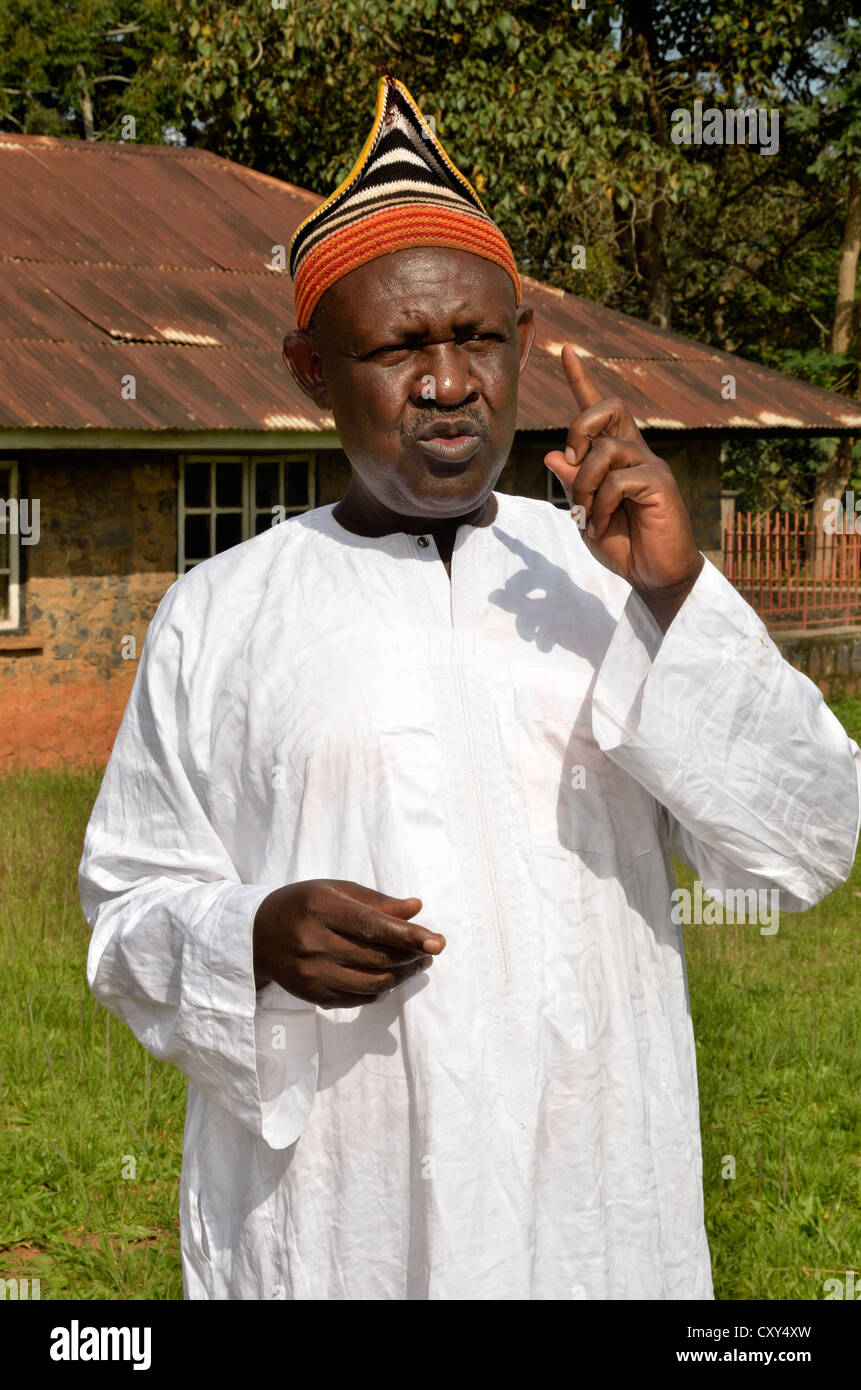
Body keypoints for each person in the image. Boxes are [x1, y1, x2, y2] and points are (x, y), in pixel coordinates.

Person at [79, 75, 861, 1301]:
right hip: (342, 1215)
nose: (449, 380)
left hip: (593, 1201)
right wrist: (253, 937)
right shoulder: (221, 615)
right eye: (398, 347)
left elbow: (804, 842)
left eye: (479, 339)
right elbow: (127, 913)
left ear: (522, 343)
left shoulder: (608, 578)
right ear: (308, 368)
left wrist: (674, 595)